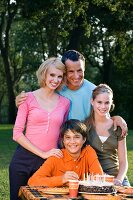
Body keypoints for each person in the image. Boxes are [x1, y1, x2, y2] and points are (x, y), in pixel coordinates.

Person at [16, 50, 127, 136]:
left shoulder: (94, 91)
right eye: (71, 71)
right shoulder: (56, 87)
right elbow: (37, 101)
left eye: (79, 70)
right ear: (64, 72)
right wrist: (20, 101)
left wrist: (116, 118)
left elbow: (104, 116)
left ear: (84, 69)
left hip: (85, 141)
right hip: (60, 142)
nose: (76, 76)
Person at [9, 57, 70, 200]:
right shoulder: (27, 98)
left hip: (49, 162)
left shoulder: (65, 103)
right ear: (44, 74)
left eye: (59, 76)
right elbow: (17, 133)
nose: (55, 80)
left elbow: (63, 134)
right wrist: (43, 153)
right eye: (52, 75)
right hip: (23, 159)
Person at [28, 119, 103, 187]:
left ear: (84, 139)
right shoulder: (56, 157)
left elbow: (99, 178)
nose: (72, 142)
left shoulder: (88, 151)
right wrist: (62, 179)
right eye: (68, 137)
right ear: (63, 140)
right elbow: (32, 181)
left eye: (76, 137)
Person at [85, 84, 130, 186]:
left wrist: (119, 179)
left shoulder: (118, 127)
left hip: (117, 178)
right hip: (95, 179)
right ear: (92, 101)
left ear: (111, 103)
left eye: (107, 103)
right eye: (99, 102)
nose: (103, 106)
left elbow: (123, 161)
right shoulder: (85, 127)